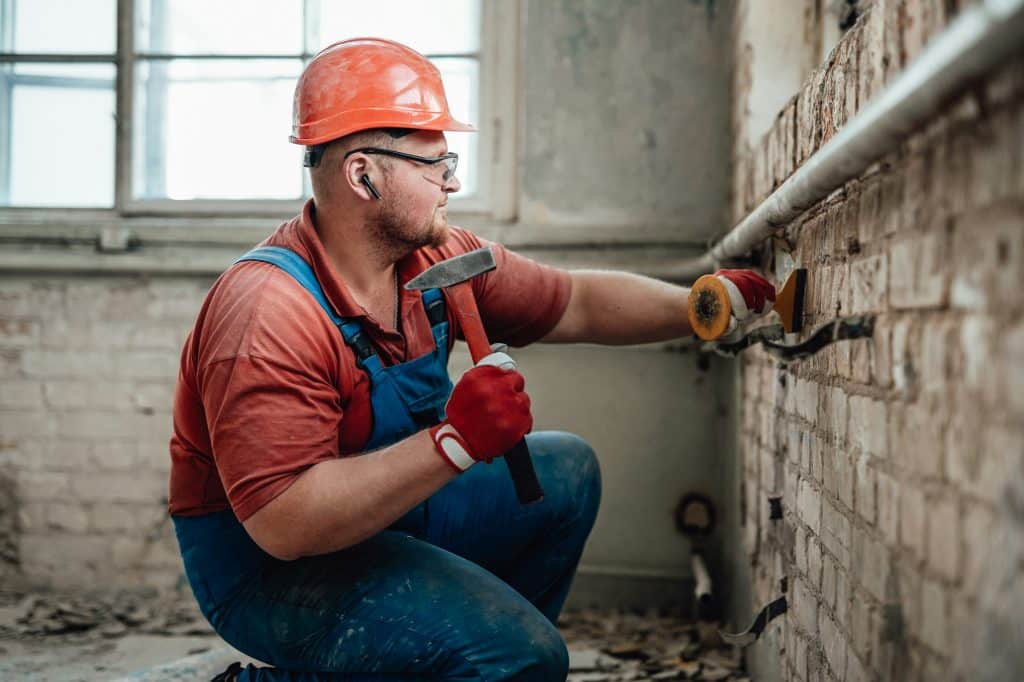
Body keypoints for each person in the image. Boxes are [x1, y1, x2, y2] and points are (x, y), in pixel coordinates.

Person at [168, 37, 776, 682]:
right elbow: (285, 523)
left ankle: (468, 663)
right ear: (363, 173)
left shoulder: (435, 258)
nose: (452, 180)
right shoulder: (269, 310)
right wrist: (454, 443)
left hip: (382, 508)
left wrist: (700, 306)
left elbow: (577, 303)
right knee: (521, 655)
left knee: (565, 473)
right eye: (435, 163)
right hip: (269, 565)